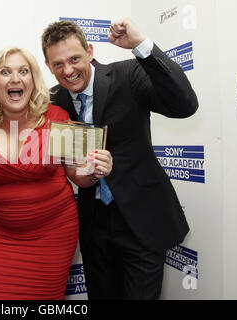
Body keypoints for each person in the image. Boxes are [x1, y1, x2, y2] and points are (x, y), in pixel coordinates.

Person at [41, 18, 199, 300]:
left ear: (90, 52)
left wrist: (141, 45)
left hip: (142, 221)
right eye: (57, 64)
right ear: (48, 66)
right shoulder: (53, 100)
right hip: (93, 225)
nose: (68, 70)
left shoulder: (127, 74)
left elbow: (185, 105)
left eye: (74, 58)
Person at [0, 46, 113, 299]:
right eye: (5, 72)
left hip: (54, 236)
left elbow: (77, 175)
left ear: (32, 80)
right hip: (1, 238)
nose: (15, 78)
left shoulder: (57, 118)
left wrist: (92, 172)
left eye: (23, 71)